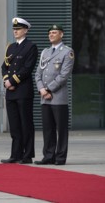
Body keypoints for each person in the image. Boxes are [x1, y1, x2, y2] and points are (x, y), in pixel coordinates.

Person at [34, 24, 75, 165]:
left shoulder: (67, 52)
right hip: (44, 97)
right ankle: (48, 156)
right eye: (50, 32)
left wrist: (49, 90)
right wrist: (41, 90)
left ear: (61, 34)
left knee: (61, 129)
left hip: (58, 97)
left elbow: (64, 75)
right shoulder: (45, 52)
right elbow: (38, 74)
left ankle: (60, 157)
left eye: (54, 32)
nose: (51, 34)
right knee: (48, 129)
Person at [0, 17, 38, 164]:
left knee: (26, 123)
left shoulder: (31, 47)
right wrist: (6, 80)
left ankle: (27, 155)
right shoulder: (11, 47)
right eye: (14, 30)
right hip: (11, 91)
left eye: (18, 29)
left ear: (26, 30)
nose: (15, 32)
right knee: (14, 125)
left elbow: (27, 69)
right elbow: (4, 66)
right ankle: (15, 154)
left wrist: (12, 80)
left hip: (23, 90)